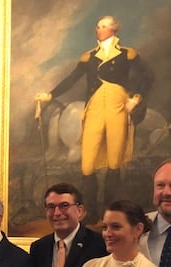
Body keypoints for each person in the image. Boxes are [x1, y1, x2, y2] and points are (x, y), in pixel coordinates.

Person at [35, 16, 154, 221]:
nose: (98, 30)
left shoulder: (127, 54)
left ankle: (109, 212)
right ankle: (89, 212)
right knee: (87, 162)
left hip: (117, 108)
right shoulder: (88, 57)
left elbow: (148, 76)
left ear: (113, 30)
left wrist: (135, 98)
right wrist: (51, 94)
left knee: (115, 161)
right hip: (95, 109)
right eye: (98, 27)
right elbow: (72, 79)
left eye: (103, 27)